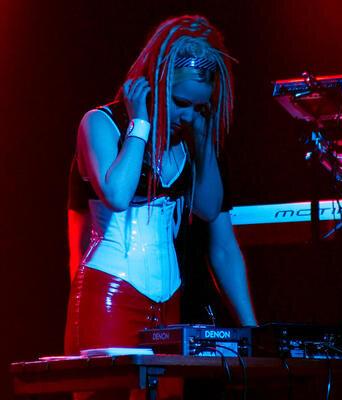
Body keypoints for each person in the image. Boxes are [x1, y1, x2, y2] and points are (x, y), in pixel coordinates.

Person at [64, 15, 257, 399]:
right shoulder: (100, 123)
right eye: (180, 102)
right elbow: (117, 195)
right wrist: (140, 123)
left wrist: (202, 139)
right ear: (155, 81)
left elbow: (209, 209)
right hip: (111, 292)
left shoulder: (191, 137)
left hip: (169, 302)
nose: (188, 115)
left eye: (199, 107)